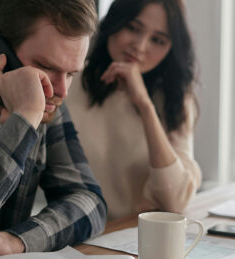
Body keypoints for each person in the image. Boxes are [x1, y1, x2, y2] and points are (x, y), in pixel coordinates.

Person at [0, 0, 107, 259]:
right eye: (47, 67)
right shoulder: (35, 104)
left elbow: (90, 201)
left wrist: (15, 241)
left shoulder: (47, 100)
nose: (60, 91)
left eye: (70, 74)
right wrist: (23, 120)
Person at [66, 0, 202, 220]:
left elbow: (175, 201)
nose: (140, 46)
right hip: (78, 236)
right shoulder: (69, 83)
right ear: (114, 22)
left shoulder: (174, 100)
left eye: (157, 40)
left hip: (135, 239)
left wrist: (144, 105)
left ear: (171, 48)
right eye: (132, 28)